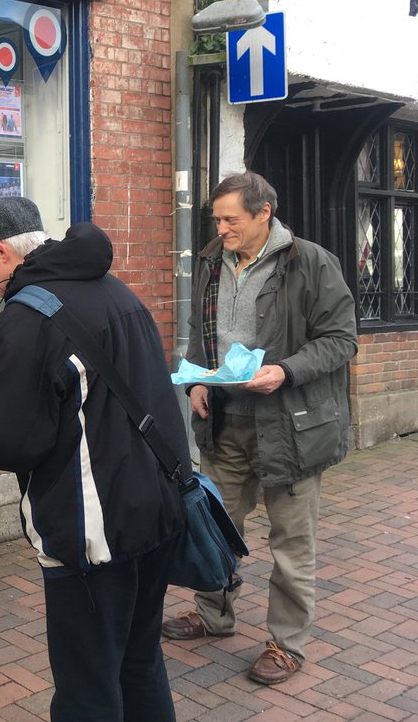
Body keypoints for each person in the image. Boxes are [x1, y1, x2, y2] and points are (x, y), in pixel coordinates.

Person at [0, 197, 188, 721]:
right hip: (158, 507)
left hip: (94, 531)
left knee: (87, 687)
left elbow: (9, 437)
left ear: (3, 250)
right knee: (140, 663)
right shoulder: (116, 291)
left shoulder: (25, 318)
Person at [161, 171, 357, 686]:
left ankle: (287, 644)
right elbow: (203, 332)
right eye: (217, 218)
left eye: (231, 219)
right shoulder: (212, 260)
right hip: (224, 424)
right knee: (214, 528)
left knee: (291, 542)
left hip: (291, 428)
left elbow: (341, 339)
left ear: (263, 213)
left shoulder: (311, 263)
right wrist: (199, 380)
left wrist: (286, 371)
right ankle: (213, 616)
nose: (221, 228)